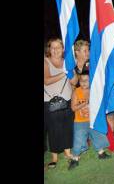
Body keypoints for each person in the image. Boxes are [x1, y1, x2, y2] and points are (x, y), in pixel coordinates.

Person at [44, 38, 77, 169]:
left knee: (67, 126)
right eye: (53, 47)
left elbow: (74, 81)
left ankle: (67, 152)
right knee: (54, 129)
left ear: (63, 49)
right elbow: (46, 80)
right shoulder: (46, 62)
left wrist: (71, 72)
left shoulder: (67, 62)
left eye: (59, 47)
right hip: (50, 101)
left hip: (67, 99)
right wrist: (64, 73)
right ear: (49, 49)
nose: (56, 50)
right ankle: (54, 157)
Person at [68, 71, 110, 170]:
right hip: (80, 121)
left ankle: (101, 153)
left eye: (86, 80)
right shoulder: (76, 92)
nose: (84, 82)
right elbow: (73, 108)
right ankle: (75, 159)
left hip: (93, 119)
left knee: (97, 135)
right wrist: (84, 104)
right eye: (81, 80)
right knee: (79, 139)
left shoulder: (94, 91)